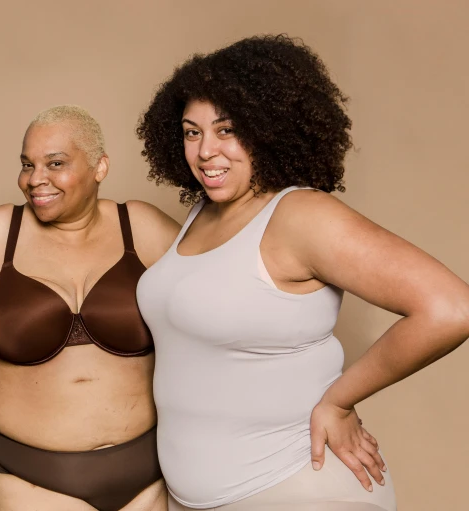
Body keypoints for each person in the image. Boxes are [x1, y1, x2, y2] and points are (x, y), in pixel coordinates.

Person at [136, 34, 469, 510]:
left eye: (227, 130)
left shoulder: (300, 215)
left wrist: (338, 400)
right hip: (196, 499)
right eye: (192, 132)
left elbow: (451, 309)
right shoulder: (202, 214)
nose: (206, 150)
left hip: (297, 489)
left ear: (268, 128)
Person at [0, 105, 180, 511]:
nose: (36, 179)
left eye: (55, 164)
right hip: (28, 477)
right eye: (27, 164)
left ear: (100, 166)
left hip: (149, 474)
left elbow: (216, 318)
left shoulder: (143, 227)